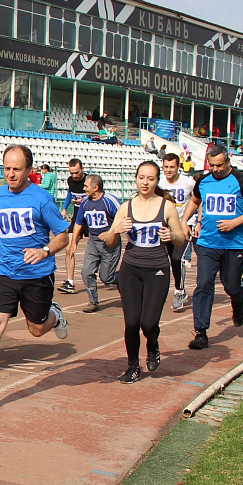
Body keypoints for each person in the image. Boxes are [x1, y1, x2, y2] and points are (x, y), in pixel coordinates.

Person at [0, 145, 70, 410]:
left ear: (29, 170)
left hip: (36, 275)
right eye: (7, 168)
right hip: (3, 273)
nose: (11, 174)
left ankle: (54, 315)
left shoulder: (42, 199)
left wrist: (44, 250)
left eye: (17, 169)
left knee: (36, 329)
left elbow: (63, 236)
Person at [99, 161, 188, 383]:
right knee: (131, 322)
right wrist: (116, 231)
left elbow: (181, 238)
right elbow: (109, 241)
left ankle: (153, 343)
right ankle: (132, 366)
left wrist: (172, 237)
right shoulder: (125, 207)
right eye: (141, 178)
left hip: (157, 268)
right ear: (136, 179)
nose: (145, 182)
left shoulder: (166, 206)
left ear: (157, 181)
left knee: (148, 323)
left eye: (150, 178)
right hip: (131, 268)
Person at [181, 144, 243, 350]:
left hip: (233, 245)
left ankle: (237, 304)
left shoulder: (242, 180)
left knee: (231, 285)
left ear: (227, 162)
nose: (216, 169)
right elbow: (194, 200)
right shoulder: (203, 180)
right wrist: (185, 221)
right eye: (212, 165)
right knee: (204, 285)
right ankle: (201, 332)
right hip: (207, 244)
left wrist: (235, 223)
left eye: (219, 165)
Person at [68, 174, 121, 313]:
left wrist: (111, 233)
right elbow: (79, 222)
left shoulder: (110, 201)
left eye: (86, 186)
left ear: (95, 187)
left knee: (106, 278)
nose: (84, 189)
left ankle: (125, 279)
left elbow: (123, 219)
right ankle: (93, 301)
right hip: (93, 240)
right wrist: (74, 242)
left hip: (110, 243)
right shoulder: (85, 203)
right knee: (86, 271)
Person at [159, 153, 197, 311]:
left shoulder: (188, 182)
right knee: (169, 260)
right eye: (166, 167)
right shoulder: (159, 183)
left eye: (172, 167)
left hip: (184, 225)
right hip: (166, 226)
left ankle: (179, 291)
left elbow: (198, 200)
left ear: (178, 167)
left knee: (178, 258)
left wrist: (198, 220)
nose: (169, 170)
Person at [58, 158, 88, 293]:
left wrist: (85, 200)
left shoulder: (89, 181)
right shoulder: (70, 181)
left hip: (92, 217)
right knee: (69, 247)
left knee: (103, 248)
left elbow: (99, 196)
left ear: (82, 169)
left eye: (77, 172)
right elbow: (70, 193)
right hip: (78, 218)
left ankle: (111, 275)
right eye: (72, 173)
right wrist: (65, 208)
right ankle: (70, 282)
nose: (75, 176)